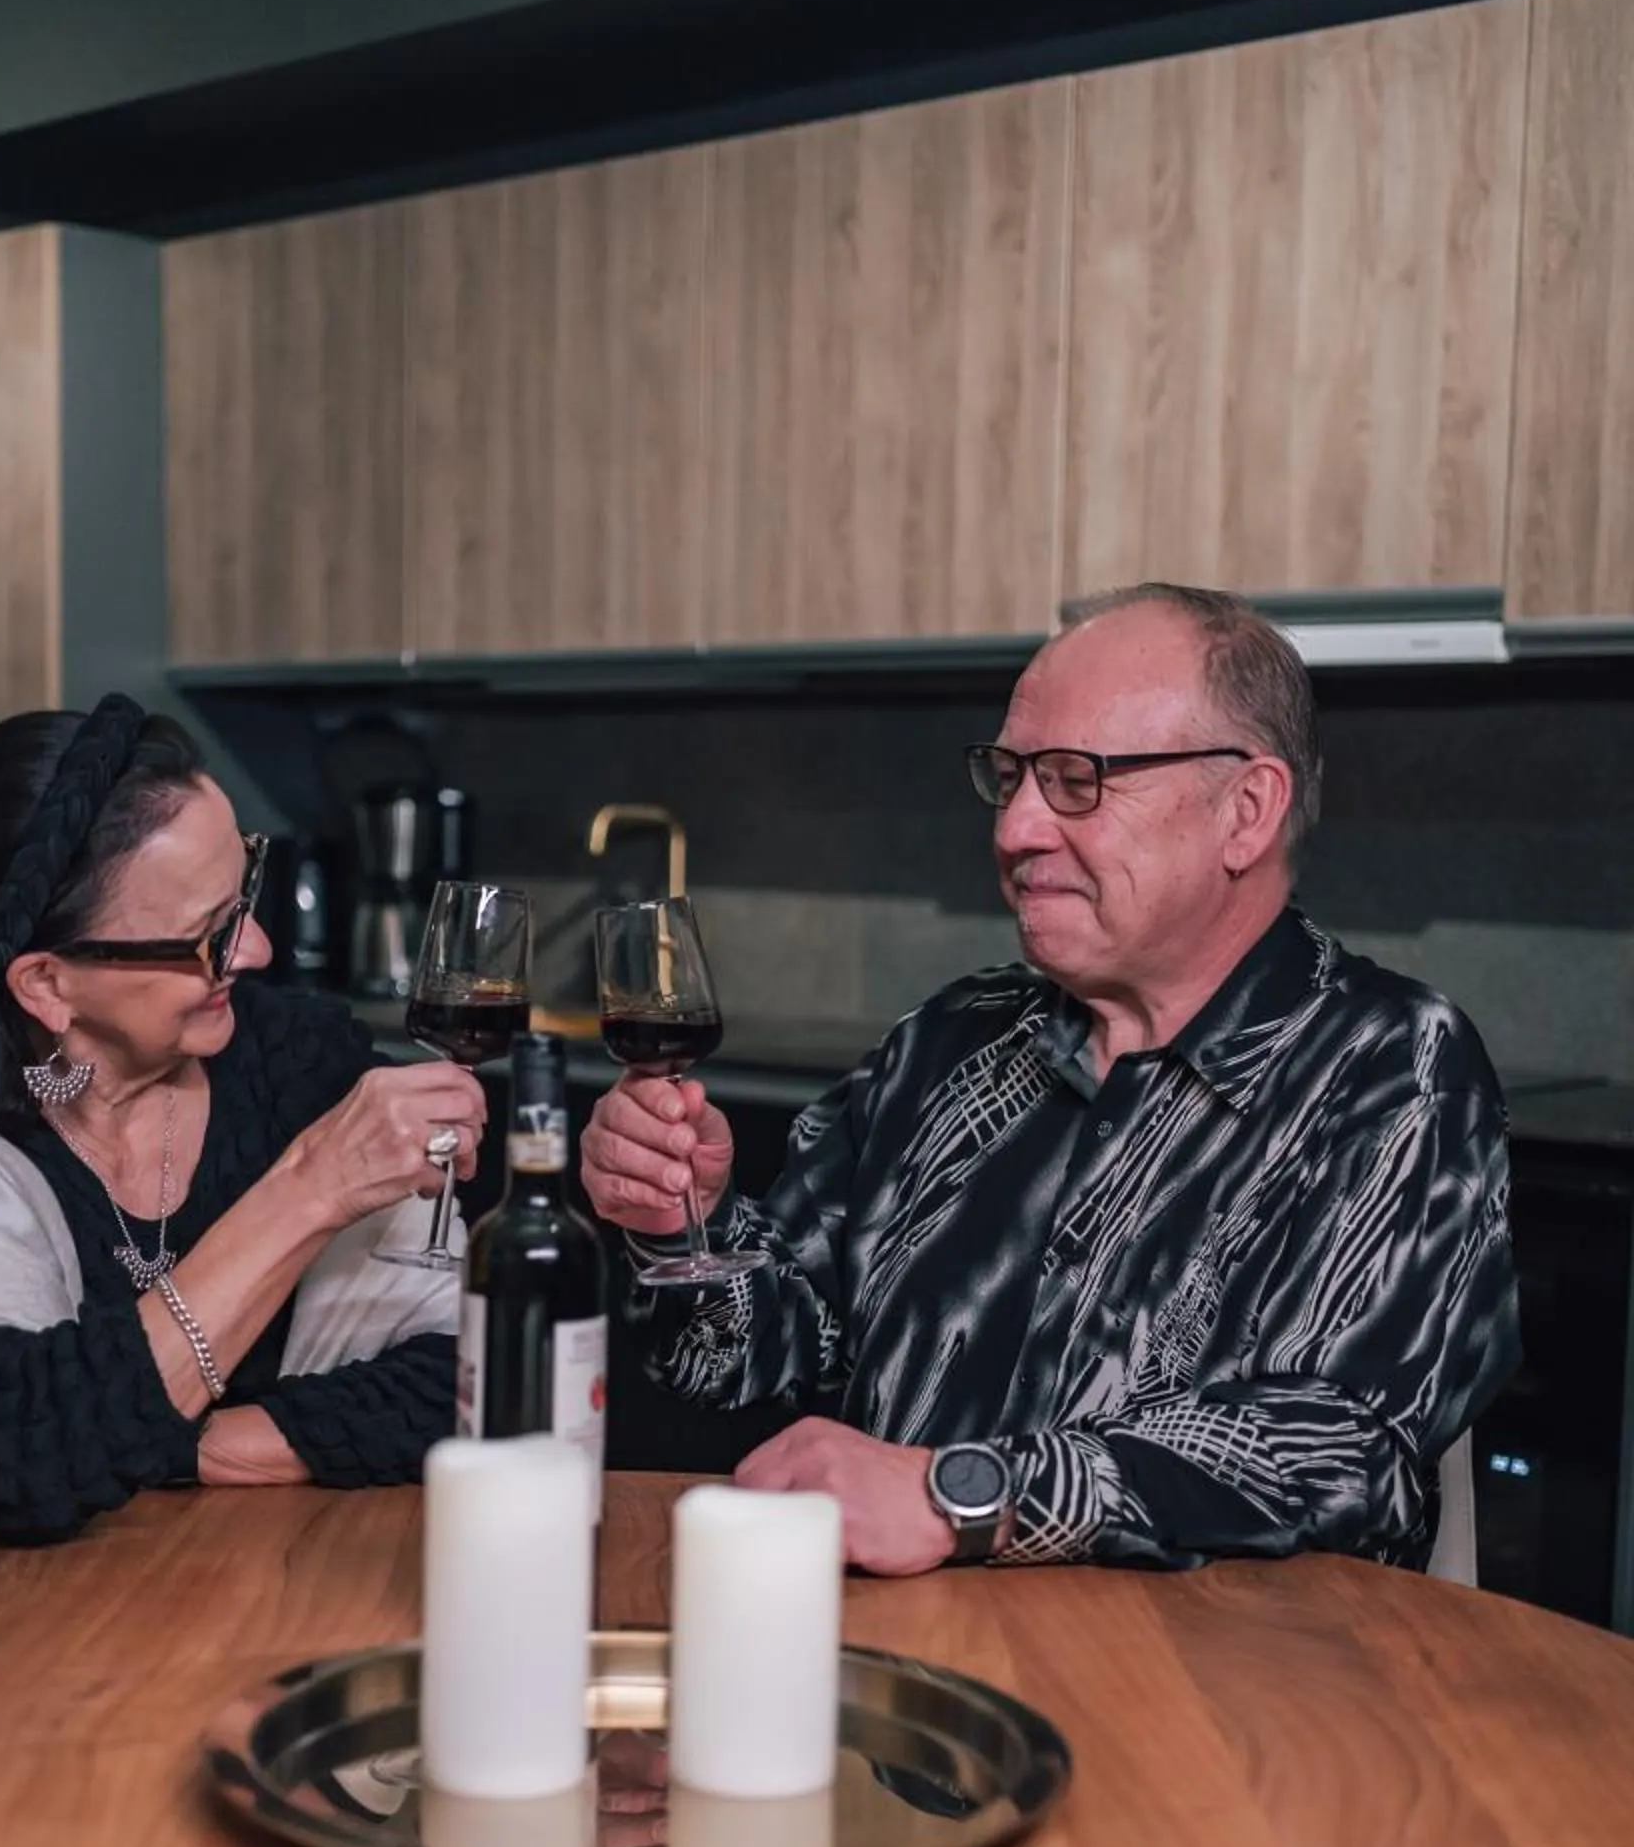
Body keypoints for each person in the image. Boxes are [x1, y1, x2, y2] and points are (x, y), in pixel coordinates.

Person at [580, 585, 1520, 1577]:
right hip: (919, 1665)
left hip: (1217, 1702)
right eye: (1010, 776)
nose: (1017, 828)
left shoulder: (1391, 1067)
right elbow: (741, 1361)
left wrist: (958, 1496)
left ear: (1244, 812)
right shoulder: (952, 1041)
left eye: (1076, 780)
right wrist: (678, 1223)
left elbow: (1334, 1449)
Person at [0, 695, 483, 1543]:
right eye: (208, 936)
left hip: (261, 1597)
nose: (258, 952)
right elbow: (28, 1457)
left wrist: (154, 1443)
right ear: (47, 985)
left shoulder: (291, 1059)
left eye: (244, 897)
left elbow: (467, 1377)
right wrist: (309, 1191)